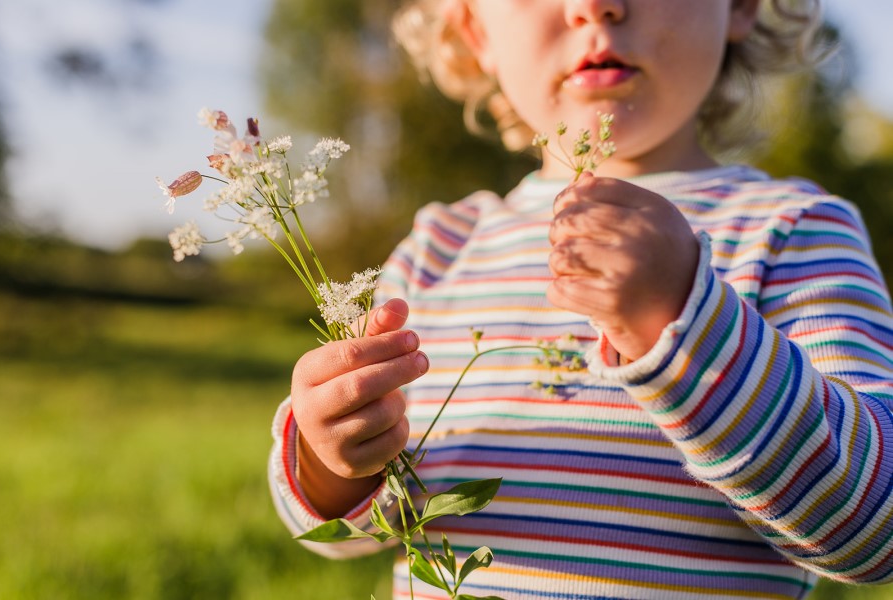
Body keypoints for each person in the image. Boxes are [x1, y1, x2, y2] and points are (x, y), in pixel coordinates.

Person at [270, 0, 893, 597]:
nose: (594, 5)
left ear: (741, 4)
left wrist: (685, 324)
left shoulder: (793, 230)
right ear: (475, 29)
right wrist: (331, 458)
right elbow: (346, 532)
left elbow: (875, 531)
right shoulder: (439, 247)